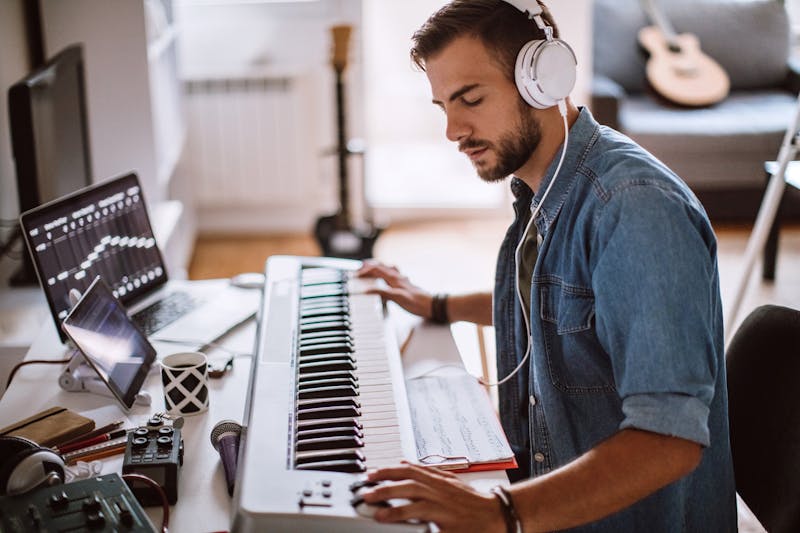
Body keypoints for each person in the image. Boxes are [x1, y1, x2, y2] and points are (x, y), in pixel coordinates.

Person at [356, 1, 737, 531]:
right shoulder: (549, 188)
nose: (453, 130)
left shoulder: (634, 209)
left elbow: (669, 441)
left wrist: (501, 511)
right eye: (443, 105)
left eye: (470, 99)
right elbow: (566, 305)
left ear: (543, 79)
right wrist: (437, 304)